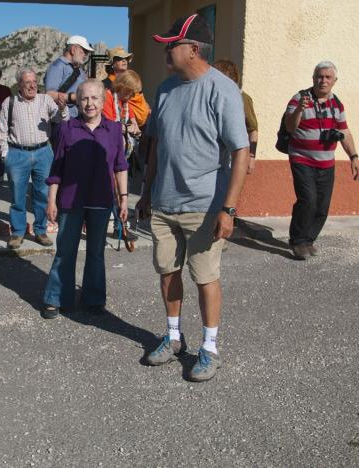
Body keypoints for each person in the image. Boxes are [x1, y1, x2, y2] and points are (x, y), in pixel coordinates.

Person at [136, 14, 250, 382]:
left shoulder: (223, 90)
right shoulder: (165, 89)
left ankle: (210, 348)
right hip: (164, 204)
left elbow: (241, 151)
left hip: (204, 206)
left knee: (205, 277)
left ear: (193, 49)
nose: (166, 51)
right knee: (167, 272)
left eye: (172, 44)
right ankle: (173, 338)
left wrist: (228, 208)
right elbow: (156, 145)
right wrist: (146, 193)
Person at [42, 79, 129, 319]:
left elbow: (121, 166)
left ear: (103, 101)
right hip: (71, 201)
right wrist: (51, 200)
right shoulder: (66, 129)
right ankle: (56, 298)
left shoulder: (114, 130)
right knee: (65, 251)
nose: (89, 103)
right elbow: (57, 168)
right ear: (78, 102)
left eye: (94, 98)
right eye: (84, 98)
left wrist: (123, 198)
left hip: (101, 200)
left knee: (96, 252)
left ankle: (94, 299)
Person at [284, 61, 358, 260]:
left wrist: (353, 156)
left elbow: (344, 131)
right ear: (313, 78)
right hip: (302, 158)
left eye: (327, 77)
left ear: (334, 81)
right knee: (308, 199)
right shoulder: (299, 99)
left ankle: (308, 239)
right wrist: (299, 110)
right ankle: (297, 241)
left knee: (322, 206)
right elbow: (290, 127)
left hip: (327, 162)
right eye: (319, 76)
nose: (323, 80)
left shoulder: (337, 104)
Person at [0, 68, 68, 250]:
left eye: (34, 81)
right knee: (17, 196)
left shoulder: (45, 100)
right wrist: (5, 154)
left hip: (43, 152)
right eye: (27, 82)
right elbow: (2, 129)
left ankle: (40, 230)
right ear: (19, 84)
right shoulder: (9, 102)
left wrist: (62, 108)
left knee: (42, 194)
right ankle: (18, 232)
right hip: (17, 153)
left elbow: (61, 120)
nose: (32, 86)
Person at [102, 69, 146, 242]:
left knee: (122, 192)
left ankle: (120, 228)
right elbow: (109, 123)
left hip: (122, 153)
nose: (132, 96)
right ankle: (116, 228)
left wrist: (134, 128)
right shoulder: (107, 97)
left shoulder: (125, 103)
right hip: (107, 152)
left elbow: (134, 122)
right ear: (123, 87)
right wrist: (128, 128)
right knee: (111, 192)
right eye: (131, 92)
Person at [213, 59, 258, 174]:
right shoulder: (211, 95)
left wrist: (251, 157)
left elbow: (253, 129)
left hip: (233, 156)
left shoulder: (242, 97)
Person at [45, 35, 94, 118]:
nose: (86, 55)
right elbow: (49, 95)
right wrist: (73, 97)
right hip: (61, 119)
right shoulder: (57, 66)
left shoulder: (80, 71)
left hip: (78, 118)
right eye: (84, 51)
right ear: (73, 49)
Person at [102, 46, 150, 130]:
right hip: (121, 128)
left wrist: (148, 110)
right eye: (120, 58)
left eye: (126, 58)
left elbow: (140, 99)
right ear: (112, 64)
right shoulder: (105, 85)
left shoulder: (132, 80)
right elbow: (109, 119)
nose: (124, 60)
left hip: (140, 125)